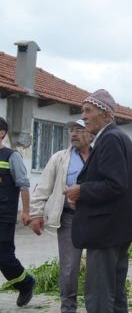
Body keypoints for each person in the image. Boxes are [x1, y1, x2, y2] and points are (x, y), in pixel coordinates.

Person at [64, 89, 132, 312]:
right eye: (82, 111)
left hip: (107, 230)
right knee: (115, 291)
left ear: (106, 115)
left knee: (99, 293)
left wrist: (81, 190)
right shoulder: (117, 137)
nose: (84, 116)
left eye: (88, 111)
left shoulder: (109, 139)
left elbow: (115, 184)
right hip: (117, 228)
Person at [29, 119, 93, 313]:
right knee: (69, 266)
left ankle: (95, 304)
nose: (73, 134)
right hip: (69, 218)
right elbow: (43, 187)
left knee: (97, 266)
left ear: (91, 134)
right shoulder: (59, 158)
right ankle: (68, 307)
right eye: (71, 130)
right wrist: (36, 213)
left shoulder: (100, 156)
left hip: (96, 220)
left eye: (79, 130)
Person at [0, 116, 36, 307]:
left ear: (1, 133)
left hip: (4, 216)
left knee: (4, 258)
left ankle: (26, 284)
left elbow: (23, 185)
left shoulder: (12, 156)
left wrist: (26, 211)